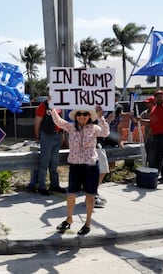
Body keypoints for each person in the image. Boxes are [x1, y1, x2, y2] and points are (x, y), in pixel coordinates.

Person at [51, 105, 110, 235]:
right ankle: (69, 219)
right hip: (75, 166)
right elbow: (58, 121)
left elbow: (106, 132)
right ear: (76, 116)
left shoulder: (94, 128)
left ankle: (87, 223)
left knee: (89, 196)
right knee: (71, 195)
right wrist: (53, 106)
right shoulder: (71, 127)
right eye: (79, 114)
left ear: (89, 116)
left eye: (85, 114)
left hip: (90, 166)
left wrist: (101, 118)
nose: (82, 116)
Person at [28, 99, 66, 195]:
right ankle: (42, 186)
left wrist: (63, 134)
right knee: (44, 161)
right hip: (47, 135)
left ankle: (54, 185)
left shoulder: (59, 104)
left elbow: (61, 121)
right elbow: (38, 121)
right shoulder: (43, 106)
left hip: (58, 135)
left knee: (54, 162)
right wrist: (37, 135)